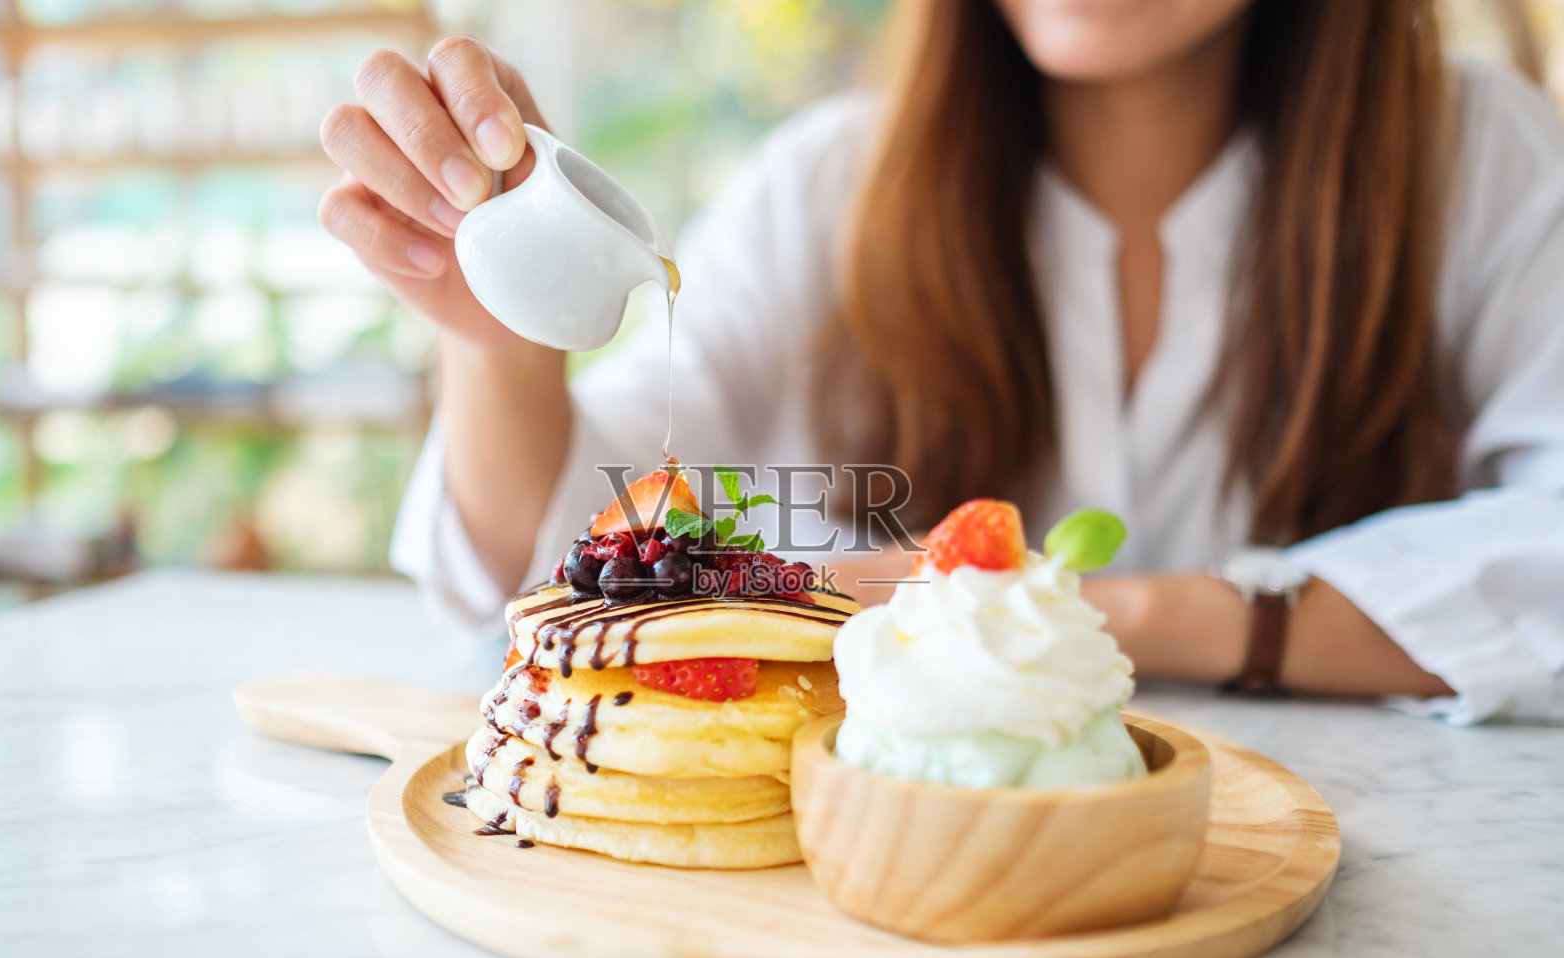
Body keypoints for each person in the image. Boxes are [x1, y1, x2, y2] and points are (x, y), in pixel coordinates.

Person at [317, 0, 1564, 724]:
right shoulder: (824, 190)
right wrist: (499, 348)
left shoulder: (1477, 158)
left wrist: (1095, 608)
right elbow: (555, 572)